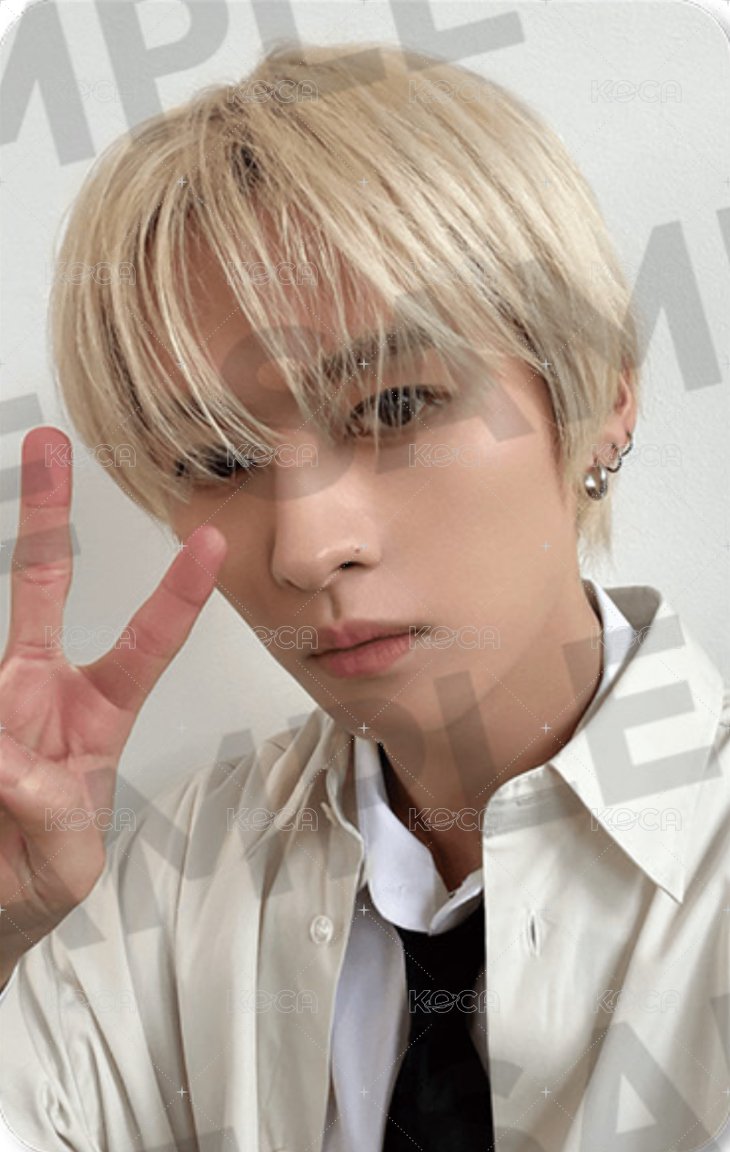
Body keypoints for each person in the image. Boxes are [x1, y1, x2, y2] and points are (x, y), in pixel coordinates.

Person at [0, 40, 728, 1152]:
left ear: (602, 398)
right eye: (218, 457)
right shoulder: (173, 879)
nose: (306, 548)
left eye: (395, 407)